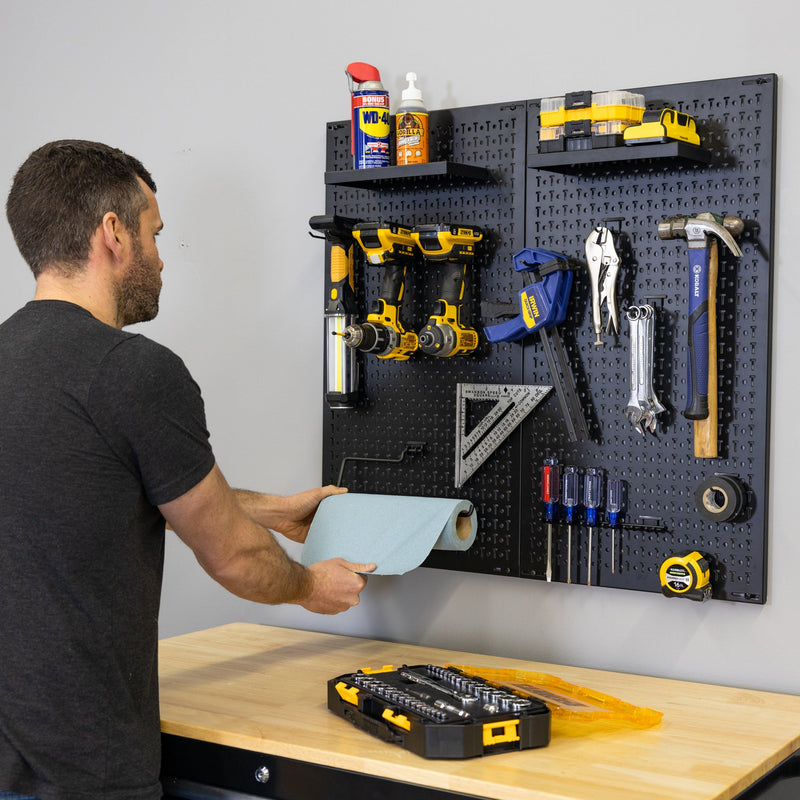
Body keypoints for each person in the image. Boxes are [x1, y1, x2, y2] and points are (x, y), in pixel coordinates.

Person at [0, 140, 375, 800]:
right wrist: (310, 585)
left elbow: (100, 489)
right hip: (86, 773)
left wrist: (277, 511)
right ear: (113, 234)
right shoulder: (133, 372)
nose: (162, 259)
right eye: (154, 233)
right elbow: (232, 557)